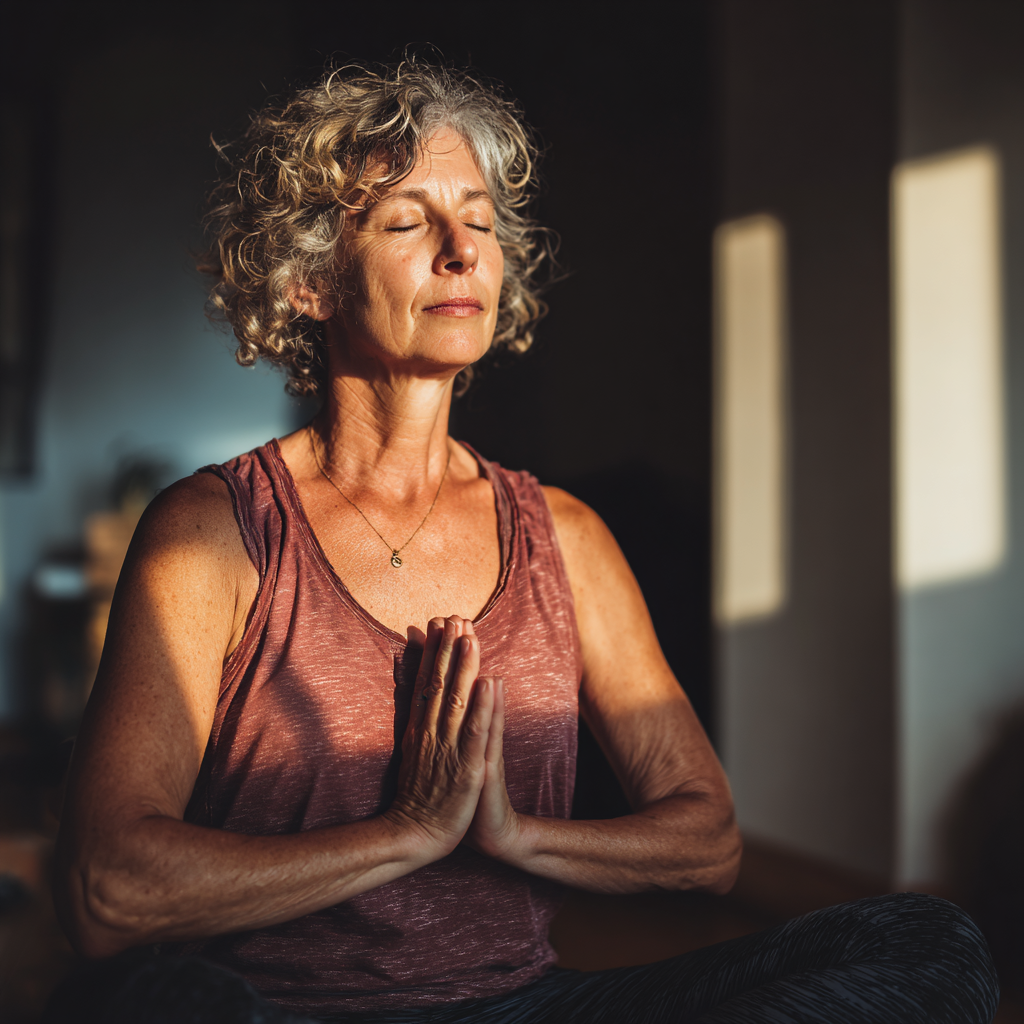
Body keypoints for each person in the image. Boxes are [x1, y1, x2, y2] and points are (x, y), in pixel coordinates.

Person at [50, 61, 998, 1024]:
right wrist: (405, 834)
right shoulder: (216, 532)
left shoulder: (565, 537)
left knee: (928, 945)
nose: (464, 251)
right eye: (410, 221)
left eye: (483, 221)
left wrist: (512, 836)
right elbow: (108, 889)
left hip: (518, 1008)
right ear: (308, 282)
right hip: (279, 1009)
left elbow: (706, 839)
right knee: (163, 1001)